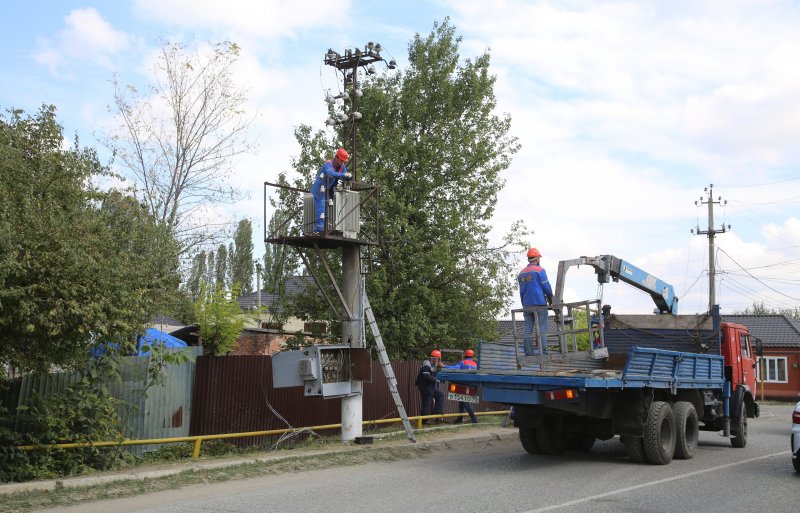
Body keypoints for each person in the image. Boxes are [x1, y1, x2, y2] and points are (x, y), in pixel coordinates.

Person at [518, 247, 553, 356]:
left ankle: (528, 353)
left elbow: (522, 291)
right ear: (537, 258)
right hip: (540, 304)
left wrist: (524, 305)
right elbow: (546, 286)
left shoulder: (521, 273)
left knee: (528, 330)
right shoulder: (540, 271)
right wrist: (551, 300)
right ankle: (544, 352)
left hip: (527, 305)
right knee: (541, 329)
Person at [309, 148, 352, 234]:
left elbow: (344, 176)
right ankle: (319, 230)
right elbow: (331, 174)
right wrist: (344, 174)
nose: (342, 162)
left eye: (344, 161)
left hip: (328, 190)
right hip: (319, 190)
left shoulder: (342, 167)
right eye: (341, 160)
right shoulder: (328, 164)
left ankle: (323, 228)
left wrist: (348, 177)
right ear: (336, 157)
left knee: (327, 208)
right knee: (321, 207)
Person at [443, 349, 479, 424]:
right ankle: (460, 418)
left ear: (465, 355)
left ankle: (474, 420)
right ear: (472, 356)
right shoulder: (475, 364)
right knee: (461, 401)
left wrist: (444, 366)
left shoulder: (463, 362)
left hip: (463, 384)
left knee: (465, 402)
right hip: (472, 385)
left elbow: (454, 368)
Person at [415, 349, 445, 424]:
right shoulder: (426, 365)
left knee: (440, 394)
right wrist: (435, 380)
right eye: (437, 359)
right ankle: (423, 421)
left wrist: (439, 368)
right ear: (434, 358)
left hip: (430, 387)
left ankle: (436, 412)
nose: (438, 360)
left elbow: (434, 372)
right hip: (425, 387)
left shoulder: (433, 365)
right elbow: (426, 377)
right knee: (427, 403)